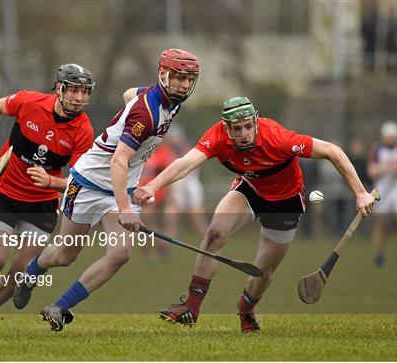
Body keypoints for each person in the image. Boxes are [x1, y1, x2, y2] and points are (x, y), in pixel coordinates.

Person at [133, 97, 375, 333]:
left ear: (256, 122)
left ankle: (246, 308)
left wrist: (360, 192)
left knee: (263, 272)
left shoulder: (277, 138)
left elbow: (332, 151)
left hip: (285, 201)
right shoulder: (217, 136)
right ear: (227, 129)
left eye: (249, 126)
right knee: (215, 232)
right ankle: (192, 306)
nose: (245, 133)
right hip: (251, 188)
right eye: (237, 129)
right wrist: (153, 186)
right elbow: (185, 164)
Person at [12, 49, 200, 332]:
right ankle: (31, 273)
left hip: (119, 185)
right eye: (179, 78)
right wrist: (125, 209)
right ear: (164, 75)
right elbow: (118, 160)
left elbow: (128, 93)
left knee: (120, 254)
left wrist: (123, 201)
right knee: (65, 254)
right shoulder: (146, 114)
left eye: (190, 79)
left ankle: (60, 307)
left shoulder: (170, 101)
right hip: (88, 183)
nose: (185, 85)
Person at [0, 64, 95, 332]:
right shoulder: (29, 102)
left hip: (43, 204)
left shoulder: (83, 130)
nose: (79, 98)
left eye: (84, 92)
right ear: (59, 88)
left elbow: (76, 183)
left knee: (21, 272)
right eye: (74, 90)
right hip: (5, 192)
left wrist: (51, 182)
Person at [368, 121, 397, 268]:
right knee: (381, 226)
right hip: (381, 191)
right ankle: (379, 256)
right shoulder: (377, 152)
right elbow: (372, 171)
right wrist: (390, 167)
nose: (392, 139)